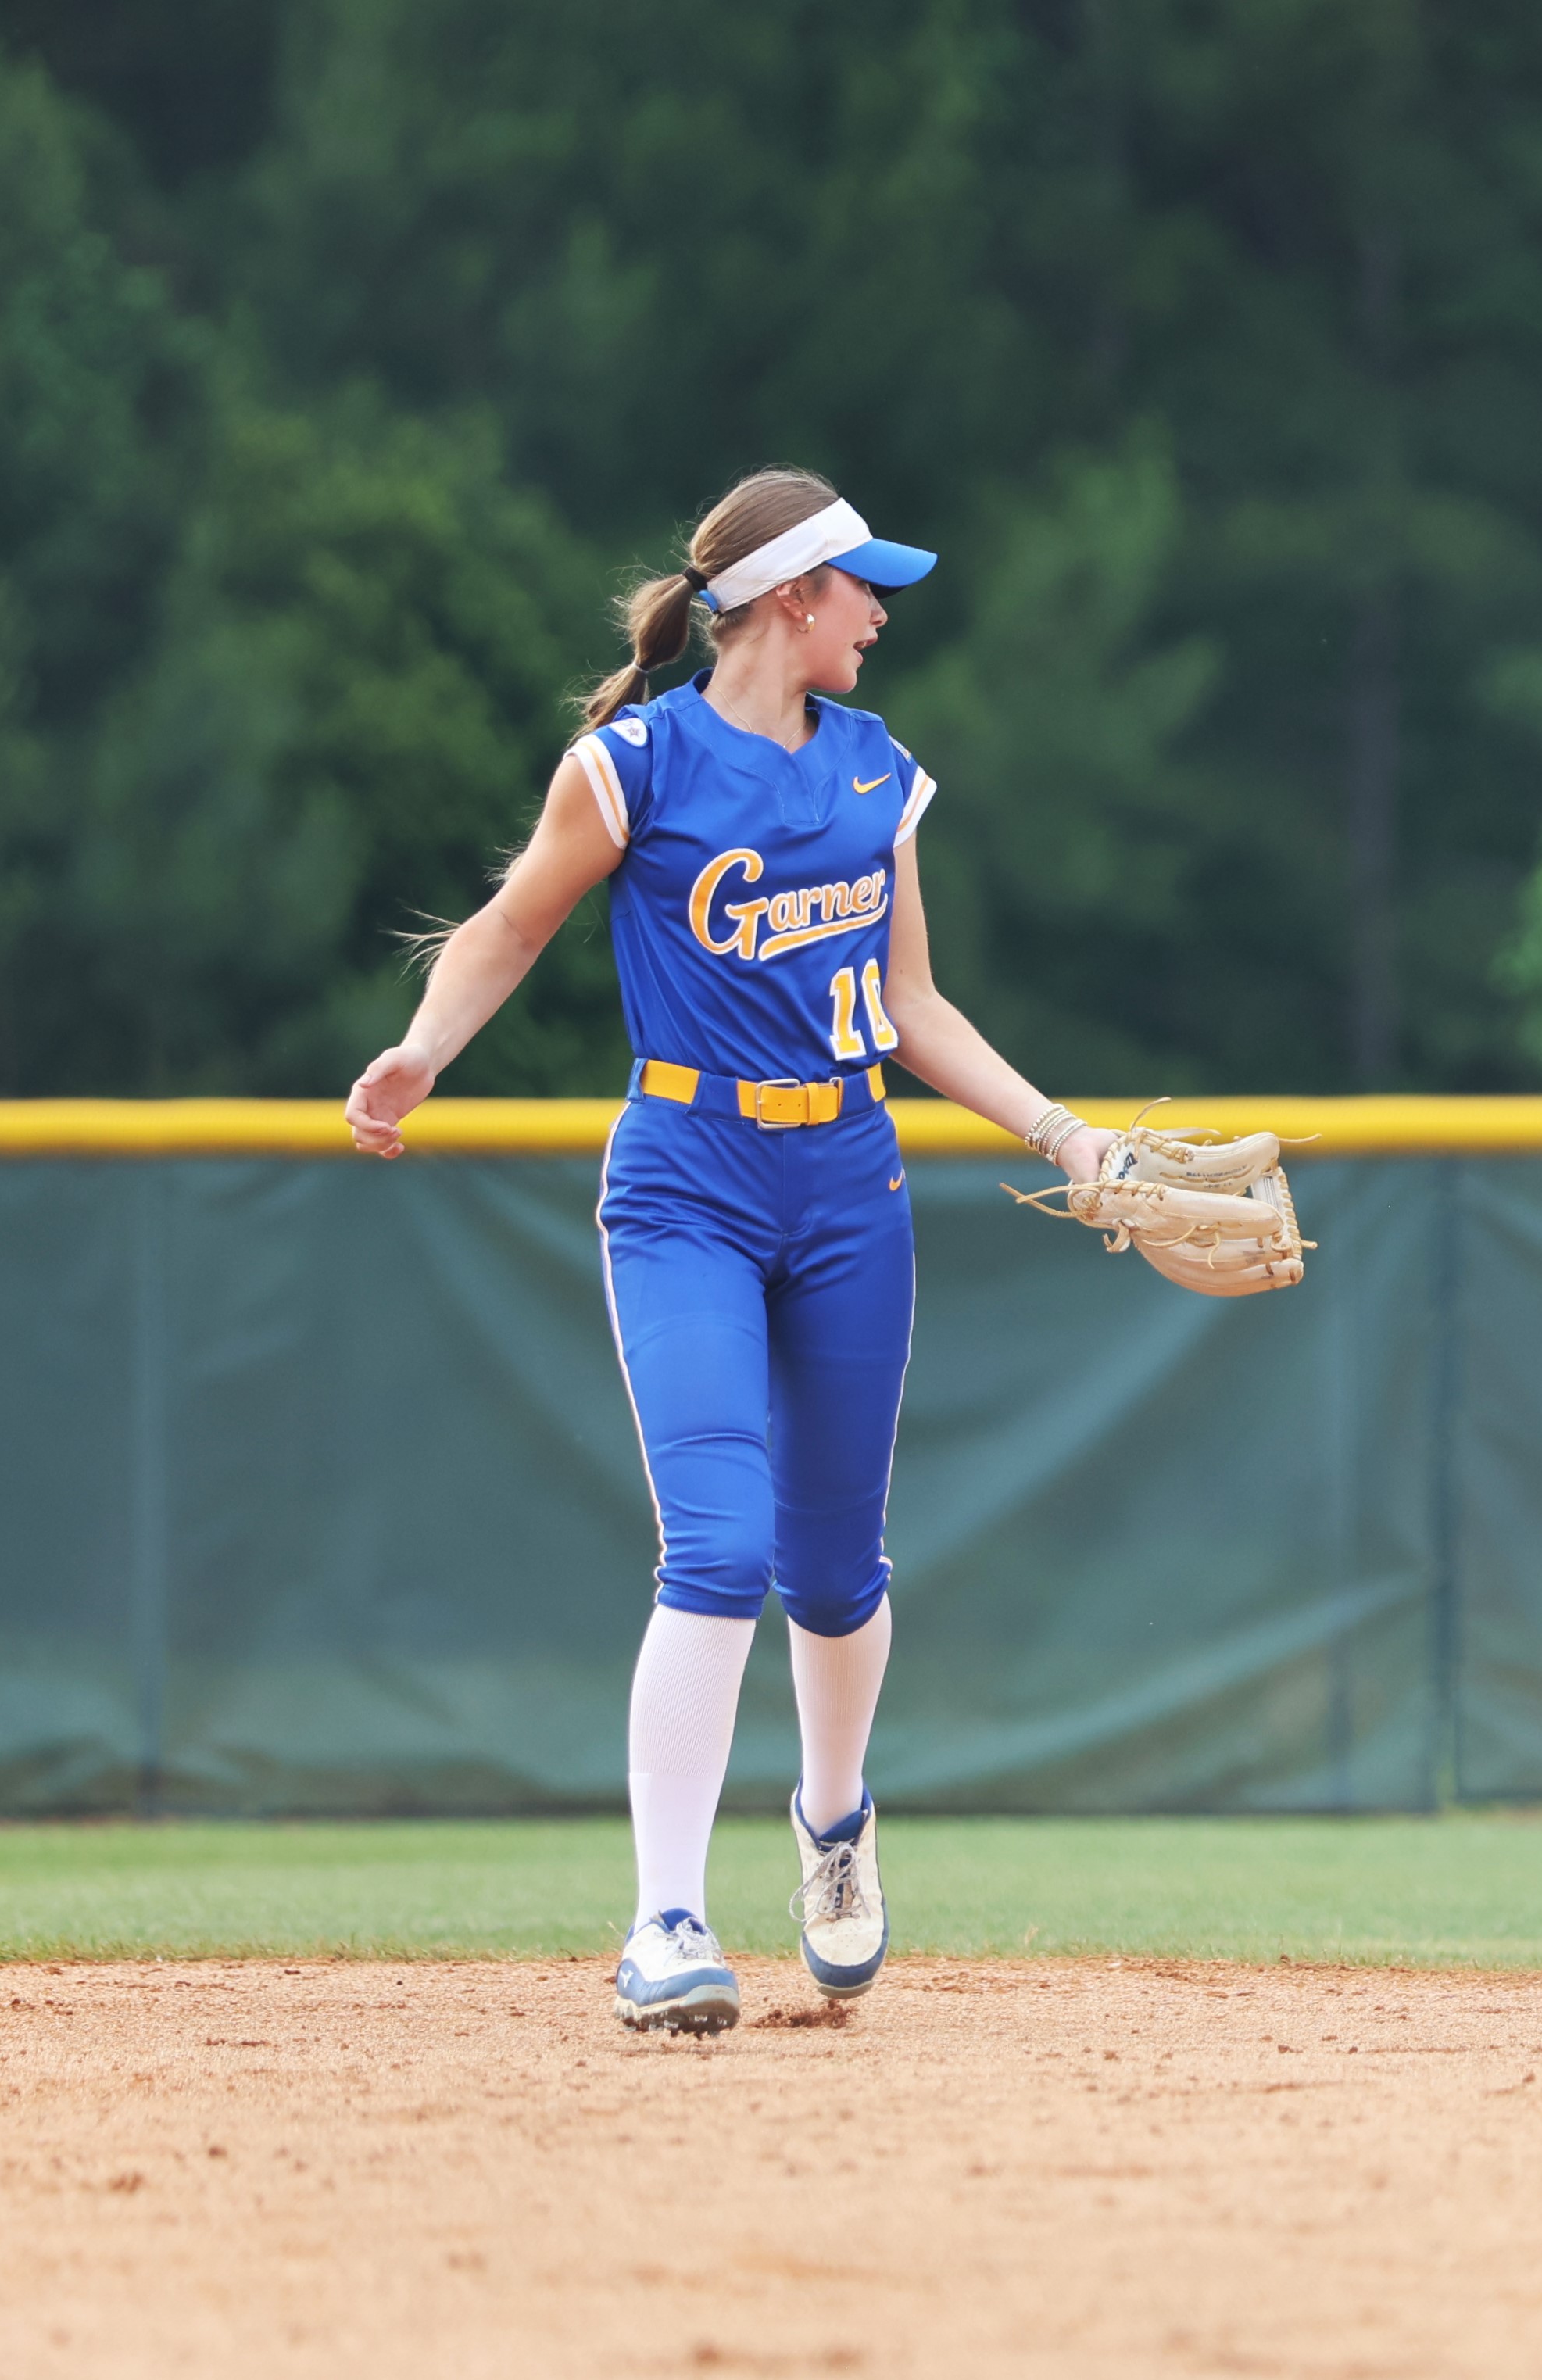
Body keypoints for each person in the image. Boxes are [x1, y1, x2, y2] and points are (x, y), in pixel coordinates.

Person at [345, 468, 1114, 2034]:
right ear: (788, 599)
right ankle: (666, 1918)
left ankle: (832, 1821)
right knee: (713, 1544)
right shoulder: (636, 763)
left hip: (845, 1182)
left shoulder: (876, 769)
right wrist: (422, 1050)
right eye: (859, 585)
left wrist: (1062, 1132)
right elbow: (510, 924)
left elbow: (911, 1005)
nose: (878, 612)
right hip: (685, 1178)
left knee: (833, 1567)